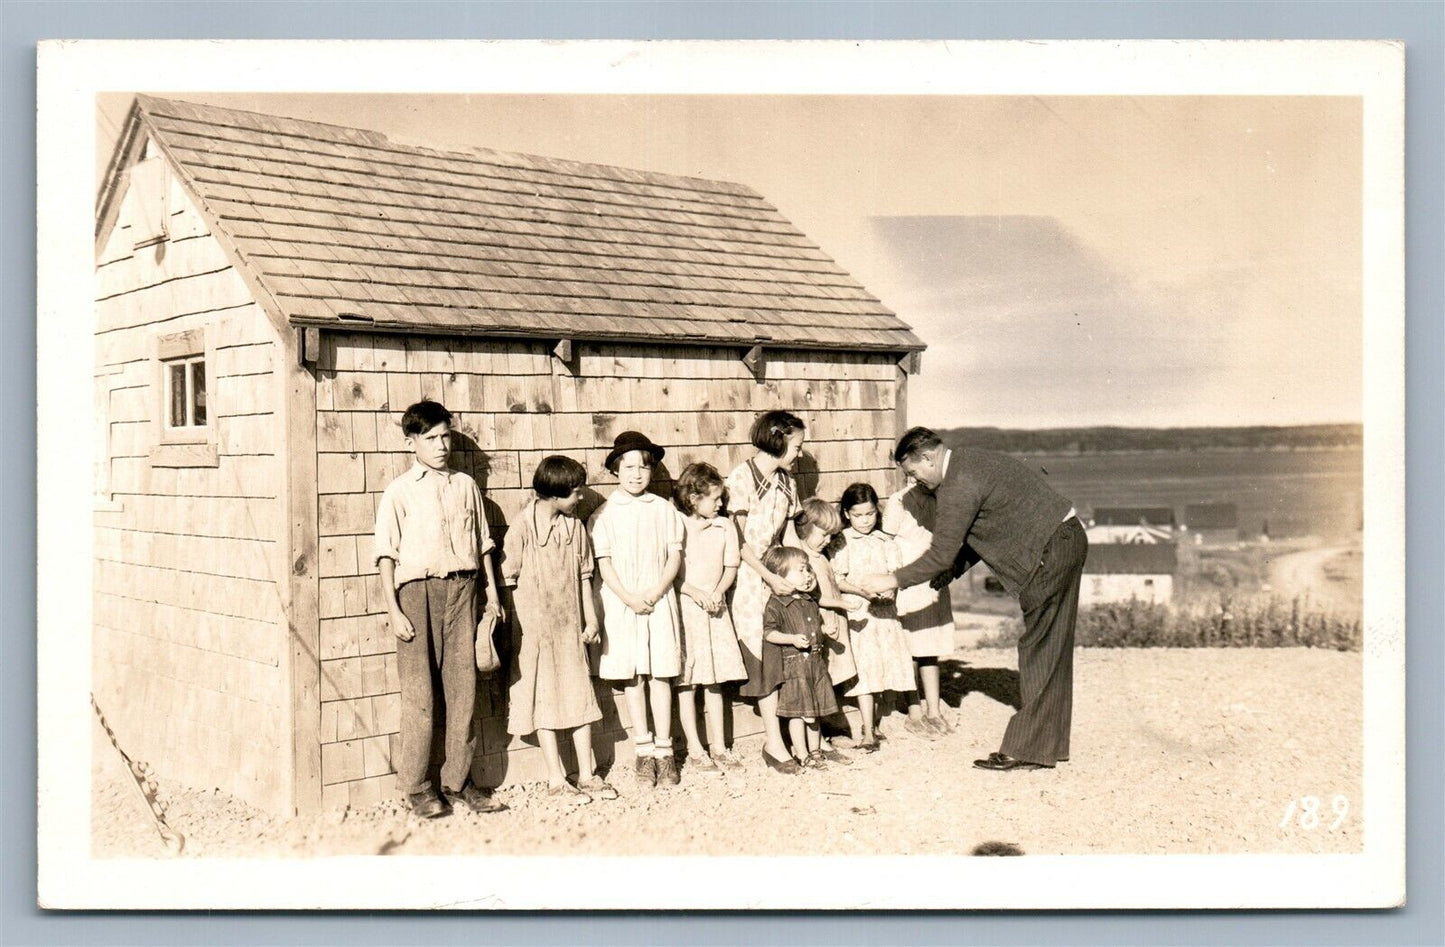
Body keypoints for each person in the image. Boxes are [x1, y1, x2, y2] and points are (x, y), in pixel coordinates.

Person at [854, 428, 1087, 771]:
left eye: (914, 472)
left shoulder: (957, 485)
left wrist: (893, 579)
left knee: (1039, 647)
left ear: (929, 458)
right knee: (1051, 648)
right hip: (1066, 538)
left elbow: (941, 552)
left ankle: (1027, 750)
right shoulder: (969, 461)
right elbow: (982, 530)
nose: (915, 480)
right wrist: (952, 572)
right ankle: (1048, 744)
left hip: (1048, 553)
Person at [374, 400, 507, 819]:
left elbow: (484, 542)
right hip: (417, 593)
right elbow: (385, 555)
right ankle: (416, 786)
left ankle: (458, 780)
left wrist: (493, 593)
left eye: (446, 436)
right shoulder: (399, 491)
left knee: (463, 691)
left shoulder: (465, 485)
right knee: (419, 694)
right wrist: (394, 610)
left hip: (463, 590)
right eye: (431, 438)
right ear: (411, 442)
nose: (441, 445)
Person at [502, 455, 617, 804]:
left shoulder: (575, 528)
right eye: (575, 493)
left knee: (580, 696)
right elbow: (508, 579)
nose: (580, 499)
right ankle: (555, 778)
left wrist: (592, 619)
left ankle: (587, 774)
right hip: (536, 636)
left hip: (570, 632)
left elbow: (585, 578)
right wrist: (519, 629)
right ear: (553, 494)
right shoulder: (522, 528)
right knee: (544, 699)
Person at [589, 431, 686, 788]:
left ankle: (665, 751)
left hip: (658, 600)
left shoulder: (663, 510)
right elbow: (604, 563)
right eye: (628, 467)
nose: (636, 474)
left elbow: (674, 556)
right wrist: (629, 598)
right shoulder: (604, 514)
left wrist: (656, 591)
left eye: (643, 467)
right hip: (622, 602)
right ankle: (643, 751)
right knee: (634, 676)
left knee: (661, 673)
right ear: (616, 469)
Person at [725, 410, 806, 775]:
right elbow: (738, 542)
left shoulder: (787, 482)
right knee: (764, 659)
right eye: (797, 446)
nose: (800, 453)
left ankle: (798, 741)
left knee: (787, 654)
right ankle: (773, 742)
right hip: (748, 579)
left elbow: (789, 537)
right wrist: (769, 578)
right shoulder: (741, 478)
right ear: (777, 440)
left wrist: (803, 570)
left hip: (778, 576)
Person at [832, 482, 920, 752]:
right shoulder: (843, 541)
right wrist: (862, 592)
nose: (864, 521)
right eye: (857, 515)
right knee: (866, 671)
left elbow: (897, 576)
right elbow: (837, 578)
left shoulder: (885, 541)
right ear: (846, 513)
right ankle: (868, 732)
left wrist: (891, 592)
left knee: (885, 667)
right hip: (861, 615)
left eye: (869, 514)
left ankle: (877, 724)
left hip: (885, 615)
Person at [671, 462, 748, 773]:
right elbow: (671, 572)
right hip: (687, 607)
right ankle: (695, 748)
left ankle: (719, 745)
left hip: (715, 609)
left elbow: (731, 566)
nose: (720, 504)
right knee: (688, 682)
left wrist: (718, 591)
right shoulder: (676, 524)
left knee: (714, 681)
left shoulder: (725, 526)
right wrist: (693, 591)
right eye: (714, 498)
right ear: (693, 498)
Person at [883, 481, 957, 735]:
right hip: (908, 581)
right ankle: (914, 710)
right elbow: (887, 541)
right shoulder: (898, 501)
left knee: (929, 648)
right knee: (909, 648)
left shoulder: (942, 497)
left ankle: (934, 710)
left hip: (933, 581)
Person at [758, 546, 839, 770]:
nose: (808, 575)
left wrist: (827, 628)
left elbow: (815, 625)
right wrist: (791, 639)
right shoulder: (776, 604)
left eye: (808, 570)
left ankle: (816, 751)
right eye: (801, 571)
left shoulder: (809, 601)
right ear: (780, 576)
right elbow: (769, 633)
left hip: (815, 664)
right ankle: (802, 754)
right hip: (795, 667)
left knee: (816, 711)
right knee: (799, 713)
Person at [788, 498, 855, 765]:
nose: (827, 540)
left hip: (832, 621)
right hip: (819, 624)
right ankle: (823, 735)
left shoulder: (820, 556)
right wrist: (840, 604)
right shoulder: (802, 559)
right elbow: (814, 596)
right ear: (805, 529)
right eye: (823, 534)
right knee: (820, 677)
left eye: (831, 535)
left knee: (830, 678)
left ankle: (828, 730)